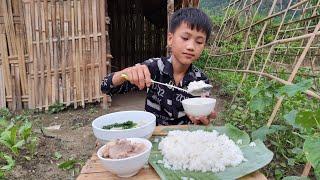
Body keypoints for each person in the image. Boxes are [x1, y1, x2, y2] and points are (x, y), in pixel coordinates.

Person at [101, 7, 217, 126]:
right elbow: (105, 87)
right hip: (152, 135)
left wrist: (203, 119)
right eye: (185, 38)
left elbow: (202, 114)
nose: (191, 46)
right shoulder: (152, 68)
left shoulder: (201, 81)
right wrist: (124, 74)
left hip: (183, 139)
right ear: (170, 39)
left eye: (199, 42)